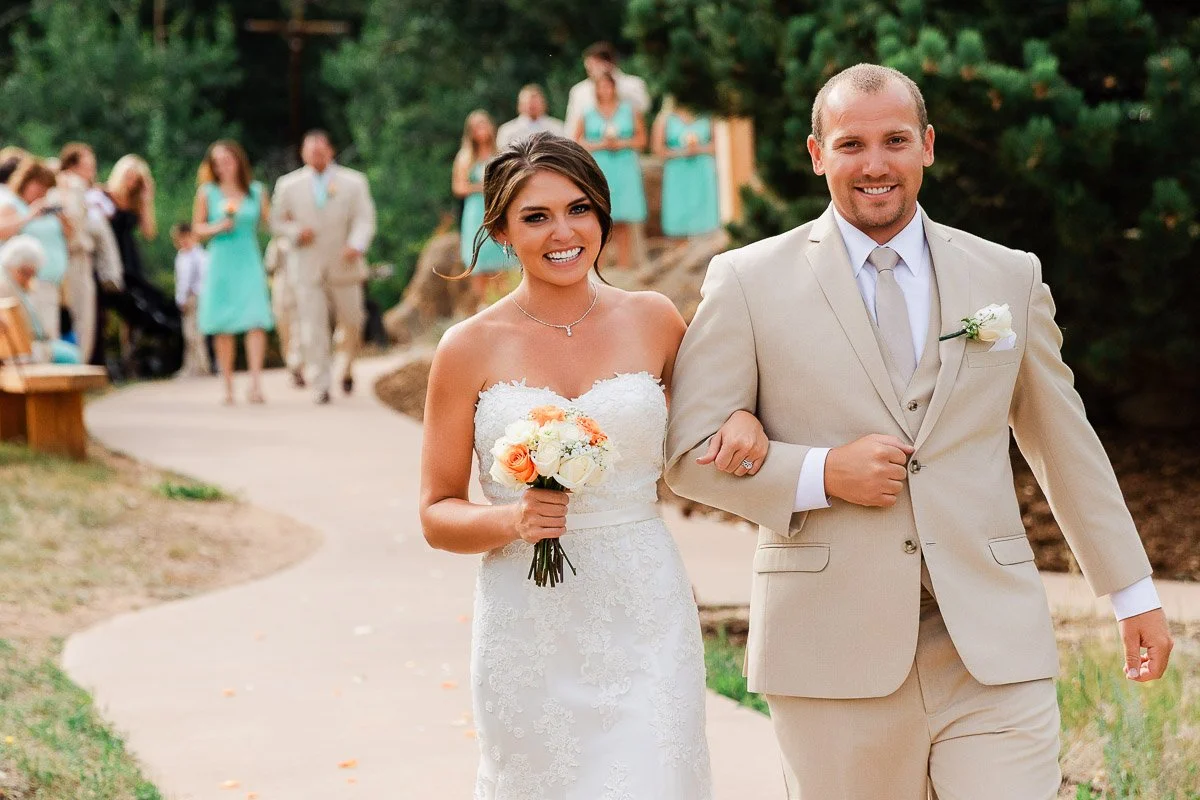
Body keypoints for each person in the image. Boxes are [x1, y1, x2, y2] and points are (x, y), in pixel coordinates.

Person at [664, 63, 1173, 799]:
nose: (875, 165)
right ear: (816, 155)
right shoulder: (747, 281)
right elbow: (687, 457)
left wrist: (1130, 592)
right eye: (850, 145)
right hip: (831, 650)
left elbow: (1065, 442)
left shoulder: (1008, 277)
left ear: (927, 145)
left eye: (895, 140)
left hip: (989, 646)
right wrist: (820, 474)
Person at [421, 131, 773, 798]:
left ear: (603, 216)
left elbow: (718, 419)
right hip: (527, 620)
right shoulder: (466, 347)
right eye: (536, 216)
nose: (564, 231)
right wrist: (512, 521)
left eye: (580, 209)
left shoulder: (656, 319)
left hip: (644, 607)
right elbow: (436, 513)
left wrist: (744, 417)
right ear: (500, 228)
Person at [270, 130, 376, 404]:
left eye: (320, 150)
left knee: (353, 321)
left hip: (344, 263)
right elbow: (277, 223)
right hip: (306, 266)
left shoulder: (353, 182)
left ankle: (347, 367)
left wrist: (356, 244)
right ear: (303, 154)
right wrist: (295, 232)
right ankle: (321, 383)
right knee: (312, 325)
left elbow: (365, 219)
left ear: (330, 151)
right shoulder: (288, 185)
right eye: (310, 151)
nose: (316, 155)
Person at [192, 140, 274, 405]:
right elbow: (196, 229)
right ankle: (227, 385)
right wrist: (217, 227)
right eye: (216, 162)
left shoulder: (256, 191)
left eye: (226, 160)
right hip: (221, 260)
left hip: (248, 258)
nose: (222, 166)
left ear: (238, 160)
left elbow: (270, 222)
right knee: (223, 324)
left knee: (255, 320)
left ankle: (255, 384)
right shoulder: (207, 192)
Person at [57, 142, 124, 364]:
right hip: (76, 258)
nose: (92, 170)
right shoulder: (74, 185)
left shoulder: (77, 187)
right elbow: (75, 224)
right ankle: (78, 370)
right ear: (73, 165)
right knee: (82, 320)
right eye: (88, 165)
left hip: (70, 259)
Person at [573, 72, 647, 270]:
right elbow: (577, 141)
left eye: (609, 86)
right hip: (601, 168)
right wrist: (600, 144)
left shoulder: (629, 110)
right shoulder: (587, 113)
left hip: (624, 167)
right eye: (601, 86)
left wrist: (621, 143)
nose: (605, 90)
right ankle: (600, 268)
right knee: (600, 218)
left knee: (623, 219)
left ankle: (625, 267)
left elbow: (641, 140)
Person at [0, 158, 71, 343]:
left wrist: (63, 217)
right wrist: (30, 215)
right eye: (39, 186)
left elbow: (70, 236)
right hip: (27, 282)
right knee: (35, 336)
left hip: (51, 283)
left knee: (50, 334)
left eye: (46, 188)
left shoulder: (47, 206)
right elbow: (2, 231)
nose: (42, 192)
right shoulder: (11, 203)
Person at [100, 154, 158, 373]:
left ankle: (129, 359)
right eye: (129, 177)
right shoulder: (104, 194)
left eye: (137, 179)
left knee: (132, 312)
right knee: (104, 309)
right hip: (108, 257)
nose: (132, 182)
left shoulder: (136, 202)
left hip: (129, 258)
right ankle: (103, 358)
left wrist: (147, 200)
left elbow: (149, 233)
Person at [453, 111, 516, 308]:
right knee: (478, 259)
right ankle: (483, 303)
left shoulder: (501, 152)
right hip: (475, 211)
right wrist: (482, 186)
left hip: (497, 206)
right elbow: (458, 187)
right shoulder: (465, 157)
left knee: (501, 253)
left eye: (483, 125)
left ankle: (505, 301)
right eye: (476, 127)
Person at [0, 234, 81, 364]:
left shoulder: (15, 284)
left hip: (32, 345)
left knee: (71, 352)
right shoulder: (5, 286)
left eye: (33, 274)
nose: (30, 278)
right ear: (17, 267)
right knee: (71, 356)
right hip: (24, 349)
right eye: (27, 273)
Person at [652, 100, 721, 239]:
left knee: (705, 220)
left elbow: (719, 144)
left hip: (701, 172)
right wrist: (681, 152)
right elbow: (657, 150)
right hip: (677, 174)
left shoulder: (708, 115)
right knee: (678, 222)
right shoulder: (665, 117)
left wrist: (699, 149)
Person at [564, 41, 651, 135]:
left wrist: (613, 82)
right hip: (591, 145)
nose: (590, 70)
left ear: (608, 63)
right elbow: (571, 124)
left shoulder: (634, 83)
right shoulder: (579, 90)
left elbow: (644, 107)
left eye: (593, 65)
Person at [171, 222, 210, 379]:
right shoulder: (182, 256)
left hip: (197, 297)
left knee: (196, 335)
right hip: (188, 299)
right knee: (189, 335)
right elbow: (181, 282)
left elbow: (199, 279)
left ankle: (201, 366)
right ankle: (192, 366)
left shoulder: (200, 256)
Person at [264, 234, 304, 387]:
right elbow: (270, 266)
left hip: (300, 290)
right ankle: (291, 365)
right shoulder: (277, 241)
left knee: (299, 330)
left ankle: (297, 363)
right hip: (281, 290)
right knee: (284, 332)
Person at [496, 84, 566, 149]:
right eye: (528, 102)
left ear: (544, 104)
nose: (532, 106)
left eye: (535, 102)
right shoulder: (507, 131)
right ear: (519, 105)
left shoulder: (557, 128)